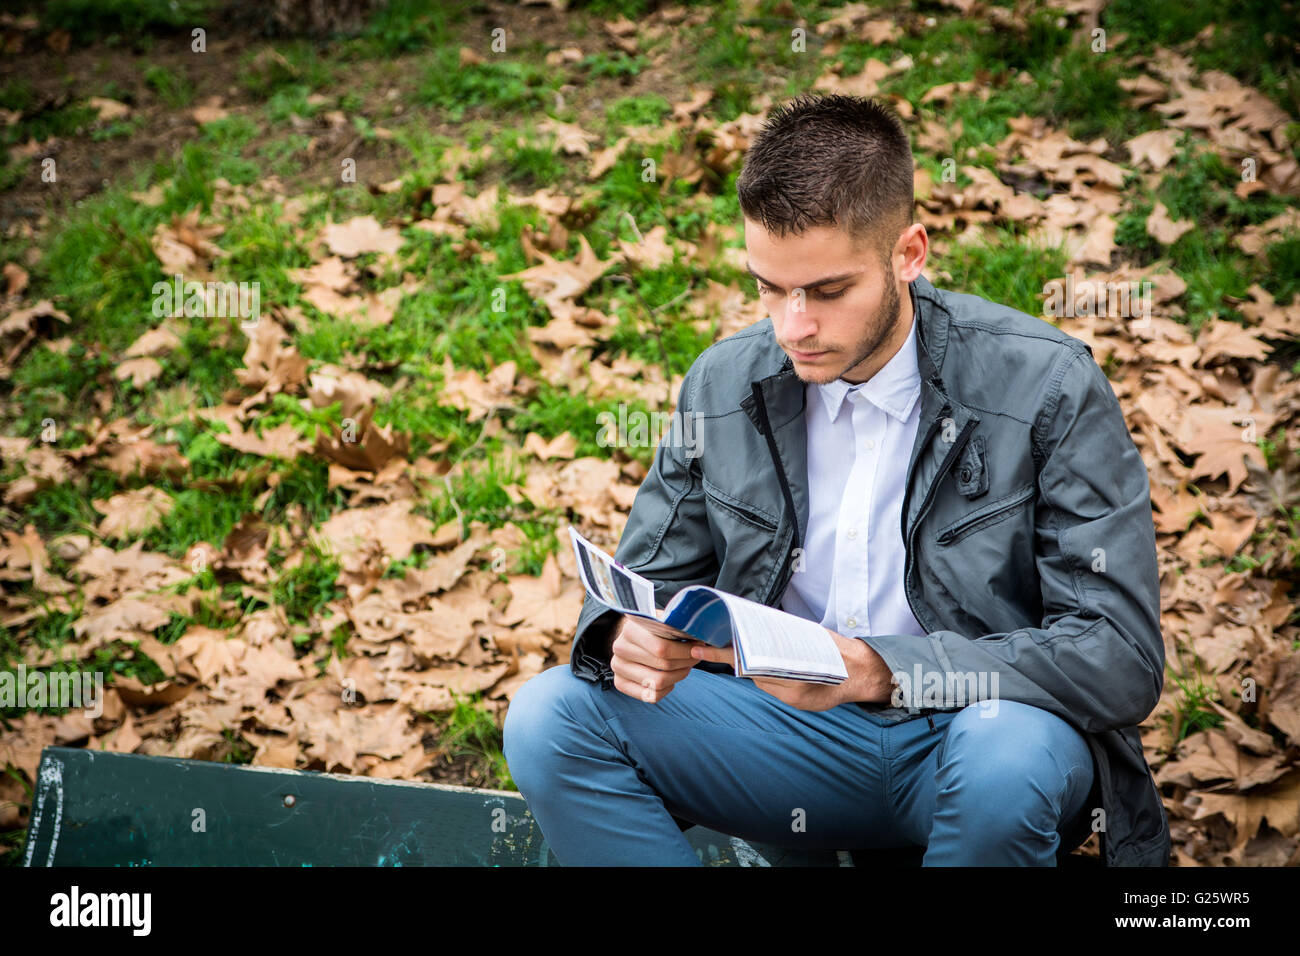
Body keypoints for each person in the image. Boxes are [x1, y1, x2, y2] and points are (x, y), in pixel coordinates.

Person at [503, 92, 1170, 867]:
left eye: (826, 291)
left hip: (969, 733)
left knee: (1004, 761)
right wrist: (623, 635)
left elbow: (1118, 655)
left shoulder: (1047, 387)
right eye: (767, 287)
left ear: (908, 254)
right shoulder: (724, 385)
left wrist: (883, 671)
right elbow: (641, 581)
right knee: (551, 716)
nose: (793, 327)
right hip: (785, 739)